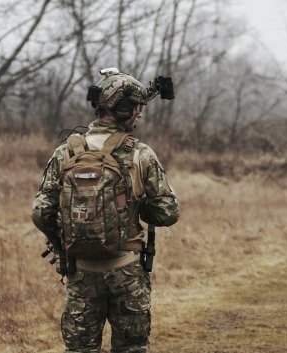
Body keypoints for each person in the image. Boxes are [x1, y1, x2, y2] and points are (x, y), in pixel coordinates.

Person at [31, 69, 180, 353]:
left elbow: (40, 210)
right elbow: (169, 211)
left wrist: (61, 242)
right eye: (137, 108)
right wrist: (136, 205)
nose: (140, 115)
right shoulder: (141, 153)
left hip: (81, 272)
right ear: (124, 109)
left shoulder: (66, 153)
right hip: (127, 271)